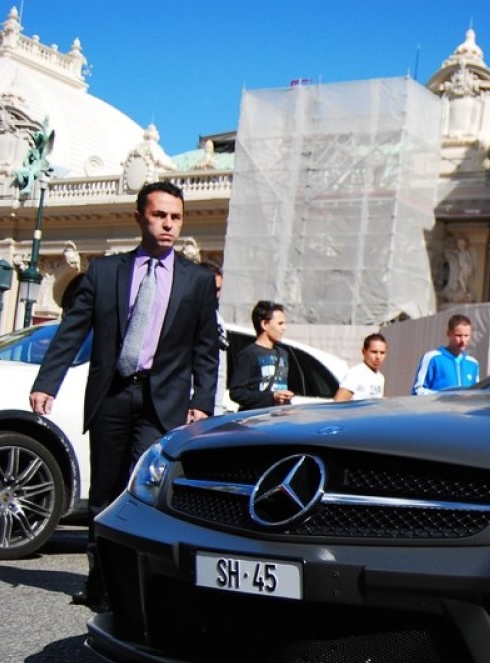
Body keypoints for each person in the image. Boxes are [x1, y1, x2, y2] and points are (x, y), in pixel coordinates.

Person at [29, 180, 219, 608]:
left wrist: (202, 401)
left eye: (175, 217)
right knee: (104, 493)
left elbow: (206, 348)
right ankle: (99, 581)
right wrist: (47, 383)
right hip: (111, 396)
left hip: (163, 402)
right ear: (140, 217)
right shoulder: (105, 271)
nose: (168, 225)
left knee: (141, 490)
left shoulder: (197, 281)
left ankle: (136, 584)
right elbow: (71, 331)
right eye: (159, 215)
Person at [230, 300, 294, 411]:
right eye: (280, 323)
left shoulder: (283, 354)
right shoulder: (249, 354)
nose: (284, 328)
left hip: (280, 418)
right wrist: (271, 397)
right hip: (256, 420)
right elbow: (237, 392)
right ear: (264, 324)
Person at [412, 313, 479, 394]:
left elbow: (476, 394)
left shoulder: (473, 364)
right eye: (458, 335)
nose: (463, 340)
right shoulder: (432, 358)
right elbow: (417, 390)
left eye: (466, 336)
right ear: (448, 334)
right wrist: (442, 397)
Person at [202, 261, 231, 415]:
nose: (216, 294)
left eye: (219, 289)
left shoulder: (218, 321)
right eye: (212, 289)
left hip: (208, 408)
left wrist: (217, 408)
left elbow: (220, 370)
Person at [334, 333, 388, 401]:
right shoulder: (355, 374)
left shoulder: (380, 377)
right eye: (374, 352)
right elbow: (338, 403)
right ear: (364, 352)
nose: (378, 357)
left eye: (382, 353)